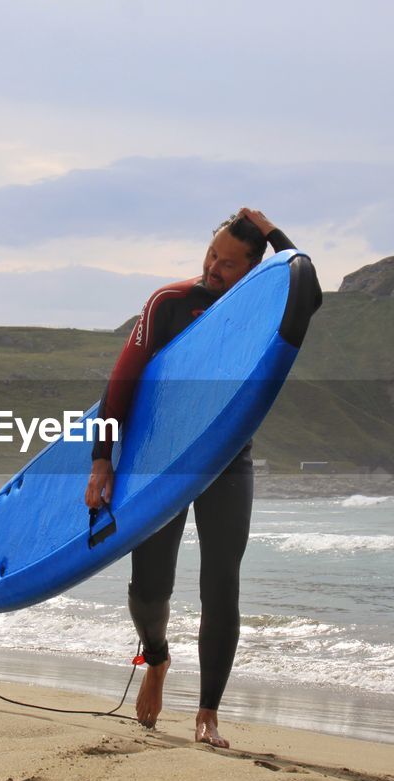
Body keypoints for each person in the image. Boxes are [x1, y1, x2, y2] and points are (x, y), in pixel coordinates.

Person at [84, 207, 300, 748]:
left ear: (254, 268)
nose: (213, 268)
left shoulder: (263, 309)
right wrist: (102, 460)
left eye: (229, 263)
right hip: (158, 461)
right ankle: (155, 657)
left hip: (229, 461)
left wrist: (275, 233)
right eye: (211, 254)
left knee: (220, 584)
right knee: (149, 587)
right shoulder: (170, 303)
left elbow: (305, 282)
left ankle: (208, 713)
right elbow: (121, 384)